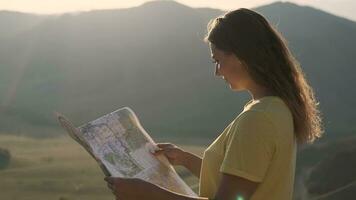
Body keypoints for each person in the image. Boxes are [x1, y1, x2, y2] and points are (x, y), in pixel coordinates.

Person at [104, 8, 323, 200]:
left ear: (242, 55)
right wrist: (184, 158)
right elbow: (241, 179)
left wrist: (148, 194)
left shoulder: (258, 120)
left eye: (218, 60)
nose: (217, 72)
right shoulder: (276, 109)